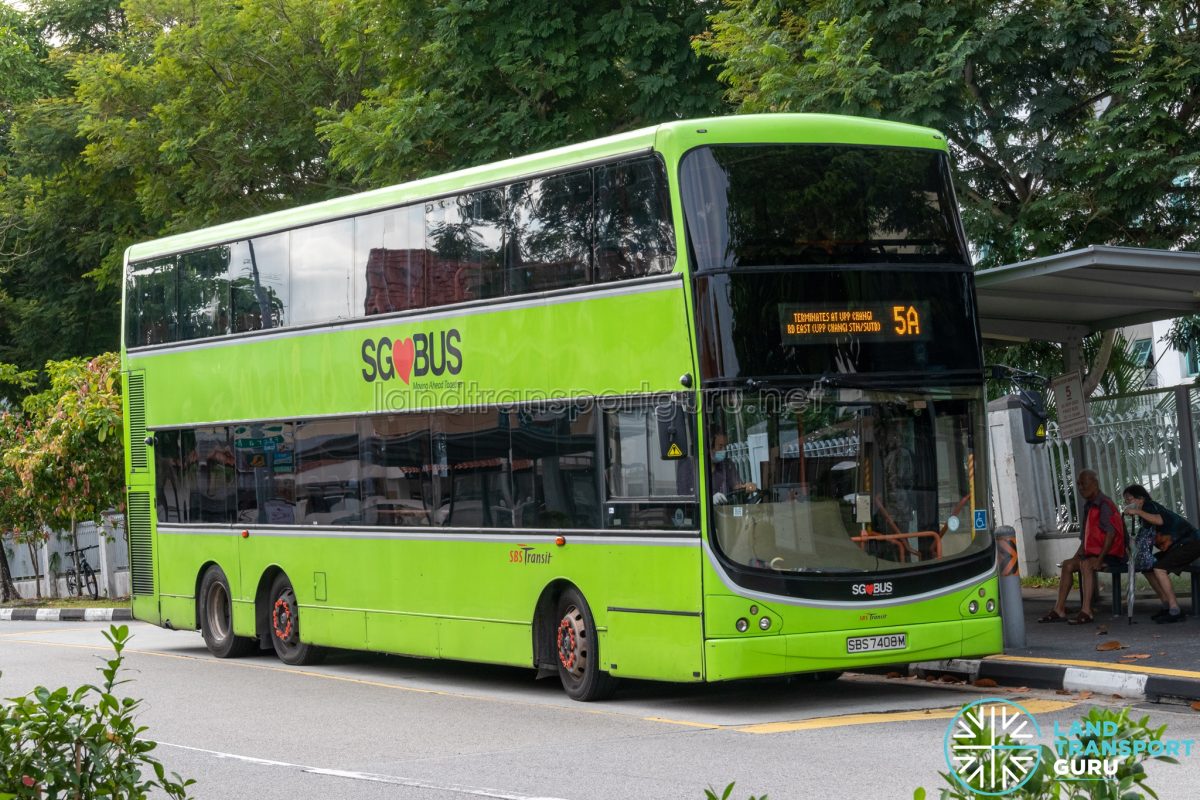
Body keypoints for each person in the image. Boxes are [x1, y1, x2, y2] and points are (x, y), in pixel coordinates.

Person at [1039, 469, 1126, 625]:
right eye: (1078, 484)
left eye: (1083, 483)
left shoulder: (1104, 504)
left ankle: (1086, 611)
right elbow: (1085, 539)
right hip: (1093, 553)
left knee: (1086, 564)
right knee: (1068, 565)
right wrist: (1075, 558)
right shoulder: (1089, 505)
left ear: (1095, 483)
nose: (1080, 488)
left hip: (1111, 554)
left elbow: (1111, 534)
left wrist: (1099, 559)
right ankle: (1059, 609)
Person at [1122, 484, 1200, 623]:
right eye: (1125, 500)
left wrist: (1137, 512)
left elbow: (1159, 520)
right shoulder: (1144, 514)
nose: (1127, 503)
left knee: (1159, 568)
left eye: (1129, 499)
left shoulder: (1149, 506)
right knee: (1148, 569)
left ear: (1140, 498)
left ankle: (1175, 610)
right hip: (1178, 546)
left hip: (1190, 543)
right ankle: (1166, 604)